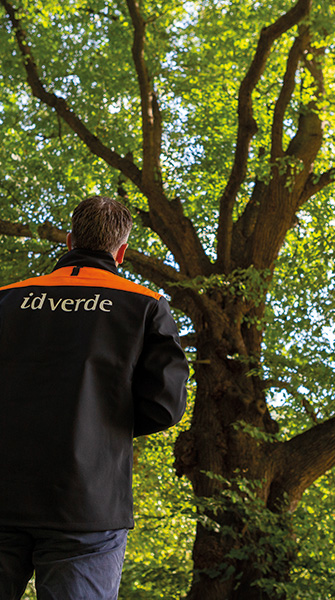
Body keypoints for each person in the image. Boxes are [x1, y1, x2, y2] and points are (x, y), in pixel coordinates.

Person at [0, 196, 189, 599]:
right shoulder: (146, 305)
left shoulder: (6, 298)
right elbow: (164, 406)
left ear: (69, 241)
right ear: (121, 251)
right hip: (86, 503)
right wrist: (97, 428)